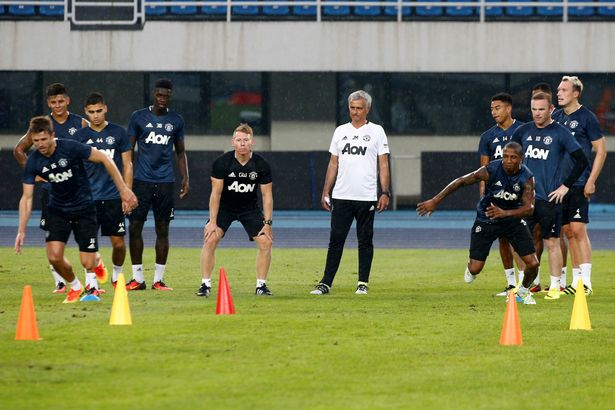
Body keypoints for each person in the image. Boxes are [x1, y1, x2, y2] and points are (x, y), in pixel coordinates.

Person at [14, 116, 137, 303]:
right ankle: (76, 286)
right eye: (36, 141)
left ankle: (94, 273)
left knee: (87, 262)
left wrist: (123, 190)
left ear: (52, 136)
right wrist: (21, 230)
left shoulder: (70, 147)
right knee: (54, 257)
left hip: (84, 208)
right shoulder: (33, 162)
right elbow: (26, 197)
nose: (40, 144)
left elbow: (104, 158)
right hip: (58, 210)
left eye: (43, 139)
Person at [417, 142, 539, 305]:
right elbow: (461, 181)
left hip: (512, 220)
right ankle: (471, 268)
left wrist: (505, 213)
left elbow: (529, 209)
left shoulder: (527, 177)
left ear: (521, 159)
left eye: (513, 158)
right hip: (487, 218)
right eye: (505, 156)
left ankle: (522, 292)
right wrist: (435, 200)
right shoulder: (491, 170)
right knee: (476, 268)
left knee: (533, 263)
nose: (508, 161)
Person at [311, 90, 390, 296]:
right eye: (352, 108)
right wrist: (326, 190)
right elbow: (333, 163)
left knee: (365, 240)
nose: (355, 112)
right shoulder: (340, 131)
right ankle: (325, 283)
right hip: (342, 195)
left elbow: (383, 163)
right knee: (336, 239)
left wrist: (385, 192)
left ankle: (362, 282)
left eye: (359, 108)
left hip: (366, 197)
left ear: (367, 109)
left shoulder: (377, 132)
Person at [511, 92, 588, 300]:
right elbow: (510, 159)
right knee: (520, 243)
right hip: (525, 200)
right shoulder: (522, 132)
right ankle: (526, 284)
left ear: (551, 109)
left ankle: (554, 287)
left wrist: (565, 186)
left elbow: (581, 161)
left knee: (552, 242)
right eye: (534, 109)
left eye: (541, 109)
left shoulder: (560, 133)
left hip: (549, 199)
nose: (537, 114)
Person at [13, 82, 87, 294]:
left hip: (78, 189)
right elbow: (19, 149)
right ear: (48, 103)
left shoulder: (80, 123)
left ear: (68, 100)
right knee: (51, 235)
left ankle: (91, 279)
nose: (57, 105)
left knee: (84, 235)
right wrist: (33, 172)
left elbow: (92, 149)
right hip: (51, 192)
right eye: (53, 102)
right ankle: (61, 282)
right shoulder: (42, 126)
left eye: (61, 101)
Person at [125, 78, 189, 291]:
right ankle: (137, 278)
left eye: (166, 96)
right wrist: (127, 182)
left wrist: (185, 177)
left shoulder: (176, 120)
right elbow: (129, 152)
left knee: (163, 230)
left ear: (170, 96)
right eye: (159, 95)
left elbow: (180, 152)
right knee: (135, 227)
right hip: (141, 182)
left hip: (165, 183)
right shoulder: (138, 117)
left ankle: (158, 280)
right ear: (154, 94)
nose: (162, 99)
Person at [196, 124, 273, 297]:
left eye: (246, 140)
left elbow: (267, 196)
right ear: (233, 142)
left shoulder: (261, 164)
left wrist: (268, 223)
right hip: (225, 208)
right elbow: (215, 194)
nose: (242, 143)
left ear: (251, 142)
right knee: (210, 238)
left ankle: (261, 285)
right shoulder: (222, 163)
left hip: (249, 209)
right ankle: (205, 285)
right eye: (239, 140)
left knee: (266, 242)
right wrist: (212, 222)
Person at [553, 76, 607, 296]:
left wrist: (592, 180)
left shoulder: (587, 118)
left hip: (579, 182)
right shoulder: (555, 118)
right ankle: (576, 282)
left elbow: (601, 150)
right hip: (559, 185)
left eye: (564, 90)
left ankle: (586, 281)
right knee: (566, 231)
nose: (559, 93)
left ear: (576, 93)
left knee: (578, 229)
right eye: (558, 90)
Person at [74, 92, 133, 294]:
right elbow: (75, 168)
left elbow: (127, 165)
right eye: (91, 112)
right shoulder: (80, 137)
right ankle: (91, 284)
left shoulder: (118, 133)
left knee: (118, 243)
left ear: (105, 109)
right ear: (86, 112)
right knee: (88, 243)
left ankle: (117, 275)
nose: (96, 115)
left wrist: (127, 193)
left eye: (99, 111)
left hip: (113, 197)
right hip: (88, 199)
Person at [478, 93, 525, 297]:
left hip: (518, 193)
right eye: (491, 109)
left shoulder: (522, 130)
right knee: (503, 239)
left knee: (520, 237)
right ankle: (511, 284)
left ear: (508, 109)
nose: (493, 112)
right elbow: (483, 171)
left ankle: (526, 283)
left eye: (497, 108)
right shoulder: (487, 137)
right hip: (496, 195)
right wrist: (483, 197)